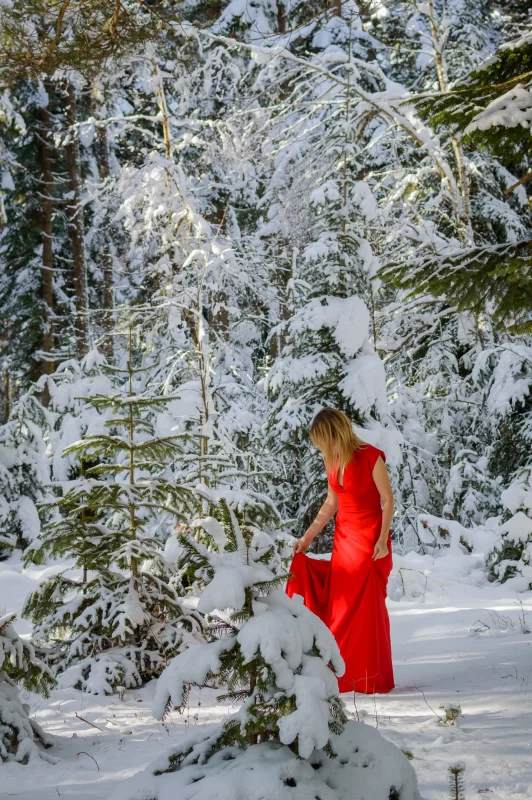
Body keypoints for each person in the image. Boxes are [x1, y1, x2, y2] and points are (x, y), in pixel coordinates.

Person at [286, 408, 394, 694]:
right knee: (340, 610)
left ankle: (370, 679)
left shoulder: (372, 456)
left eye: (324, 440)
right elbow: (331, 503)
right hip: (344, 545)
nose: (322, 448)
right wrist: (307, 537)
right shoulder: (331, 461)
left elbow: (388, 501)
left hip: (371, 545)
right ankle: (342, 678)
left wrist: (382, 540)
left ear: (336, 433)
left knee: (366, 614)